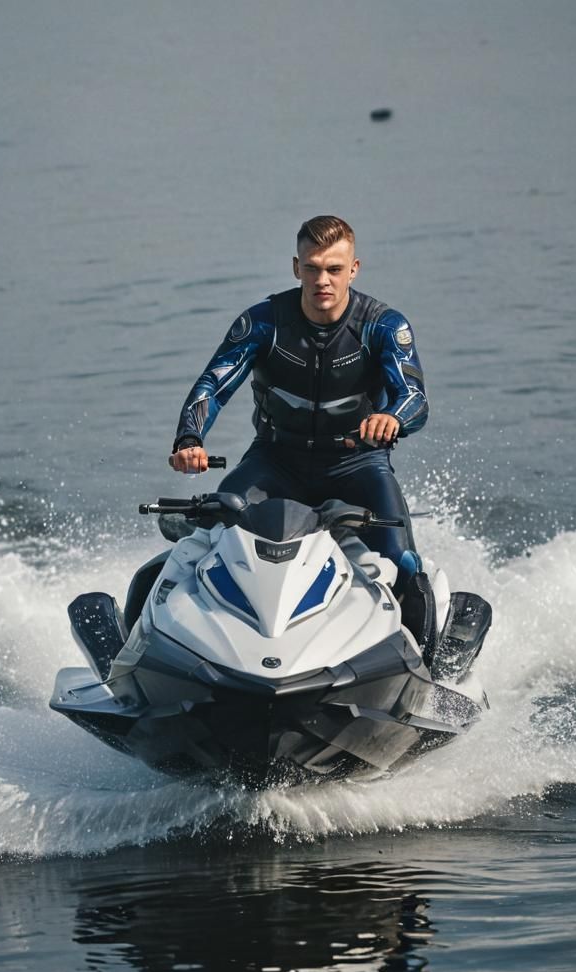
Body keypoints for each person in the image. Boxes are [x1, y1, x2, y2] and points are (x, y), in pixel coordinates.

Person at [169, 215, 436, 650]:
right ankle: (144, 652)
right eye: (312, 268)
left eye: (334, 269)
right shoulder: (262, 323)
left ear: (354, 269)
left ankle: (428, 670)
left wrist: (394, 419)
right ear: (297, 268)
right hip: (275, 462)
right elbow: (212, 385)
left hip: (358, 465)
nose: (322, 280)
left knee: (402, 564)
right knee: (203, 541)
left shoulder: (383, 326)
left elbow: (415, 399)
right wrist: (189, 440)